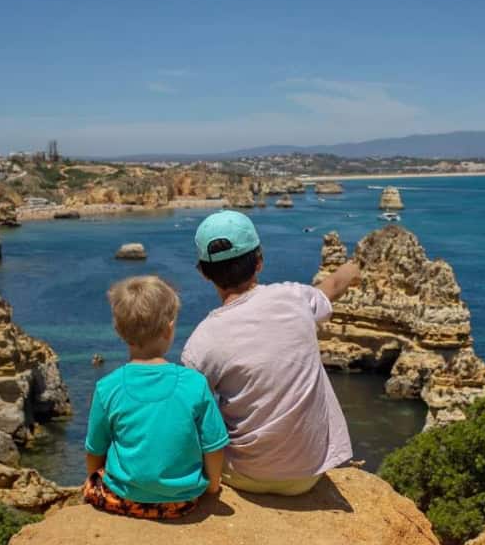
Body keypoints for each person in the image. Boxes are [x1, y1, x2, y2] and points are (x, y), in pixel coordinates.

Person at [182, 210, 361, 496]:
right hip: (309, 472)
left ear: (204, 273)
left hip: (244, 475)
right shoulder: (295, 297)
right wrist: (355, 267)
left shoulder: (200, 343)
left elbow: (189, 414)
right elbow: (332, 287)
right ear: (259, 261)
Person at [84, 275, 229, 519]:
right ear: (169, 329)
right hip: (182, 501)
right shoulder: (194, 383)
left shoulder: (106, 387)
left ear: (119, 331)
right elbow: (214, 447)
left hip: (123, 498)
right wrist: (212, 487)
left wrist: (95, 478)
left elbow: (94, 450)